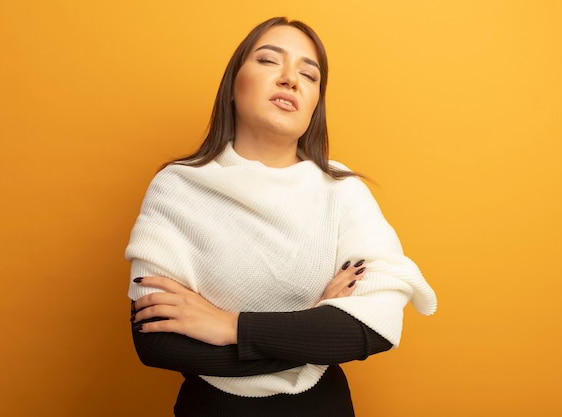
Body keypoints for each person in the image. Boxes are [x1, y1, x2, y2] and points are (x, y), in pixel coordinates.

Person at [126, 16, 437, 417]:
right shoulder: (177, 187)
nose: (291, 79)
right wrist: (312, 325)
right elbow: (158, 343)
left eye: (309, 75)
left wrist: (230, 326)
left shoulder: (343, 193)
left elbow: (372, 327)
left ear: (314, 105)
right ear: (233, 87)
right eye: (270, 61)